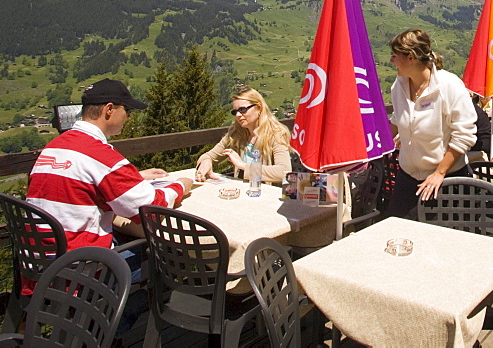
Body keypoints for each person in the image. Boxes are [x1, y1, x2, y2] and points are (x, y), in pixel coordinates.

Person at [26, 79, 192, 253]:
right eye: (127, 110)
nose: (129, 117)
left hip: (40, 261)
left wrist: (136, 177)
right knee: (164, 255)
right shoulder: (100, 155)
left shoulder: (55, 146)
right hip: (81, 267)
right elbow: (150, 208)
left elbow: (81, 181)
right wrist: (180, 185)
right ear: (109, 109)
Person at [386, 29, 476, 219]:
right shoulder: (399, 86)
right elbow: (396, 120)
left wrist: (439, 173)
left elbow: (464, 135)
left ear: (410, 57)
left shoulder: (449, 85)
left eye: (395, 56)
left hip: (445, 180)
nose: (391, 61)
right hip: (407, 178)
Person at [195, 85, 293, 185]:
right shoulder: (236, 132)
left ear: (259, 108)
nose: (238, 115)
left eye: (242, 109)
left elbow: (284, 171)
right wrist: (206, 161)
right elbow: (209, 155)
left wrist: (243, 165)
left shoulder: (276, 133)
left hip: (267, 194)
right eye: (235, 111)